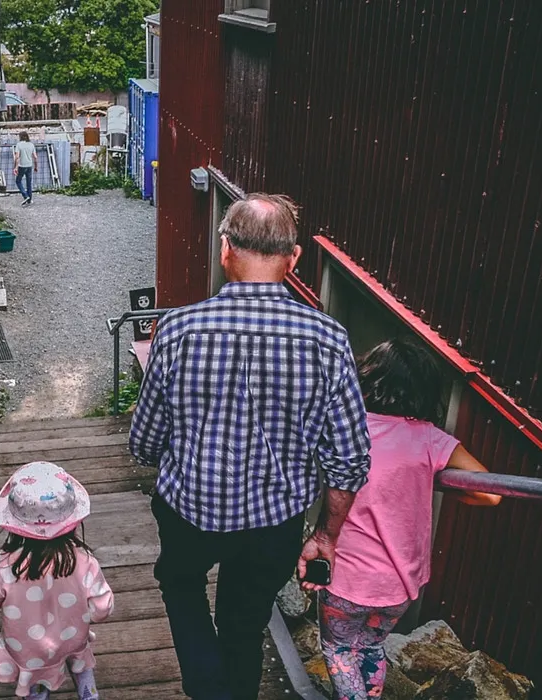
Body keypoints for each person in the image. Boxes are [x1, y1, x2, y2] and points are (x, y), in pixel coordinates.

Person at [130, 193, 372, 699]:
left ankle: (206, 688)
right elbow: (349, 460)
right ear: (294, 257)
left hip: (188, 511)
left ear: (225, 250)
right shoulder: (329, 339)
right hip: (274, 525)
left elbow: (145, 442)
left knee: (180, 584)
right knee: (243, 622)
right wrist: (325, 536)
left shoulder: (175, 330)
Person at [311, 339, 501, 700]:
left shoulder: (346, 428)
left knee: (339, 650)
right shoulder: (431, 440)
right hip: (399, 586)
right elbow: (489, 493)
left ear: (367, 378)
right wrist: (426, 479)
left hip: (347, 579)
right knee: (370, 647)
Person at [0, 461, 114, 699]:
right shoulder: (84, 561)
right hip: (72, 637)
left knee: (35, 679)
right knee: (79, 661)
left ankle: (39, 693)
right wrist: (81, 614)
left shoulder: (4, 566)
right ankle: (88, 693)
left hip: (27, 647)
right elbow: (102, 607)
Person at [13, 131, 37, 205]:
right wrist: (36, 166)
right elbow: (35, 157)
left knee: (18, 181)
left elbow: (17, 157)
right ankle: (29, 199)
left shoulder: (19, 145)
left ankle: (25, 195)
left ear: (20, 137)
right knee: (29, 183)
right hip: (29, 166)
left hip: (22, 166)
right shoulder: (31, 145)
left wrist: (15, 167)